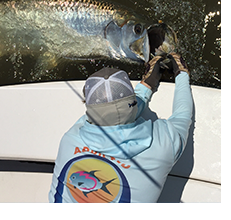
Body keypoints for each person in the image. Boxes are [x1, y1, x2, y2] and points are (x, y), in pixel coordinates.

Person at [49, 54, 193, 203]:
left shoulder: (71, 138)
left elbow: (114, 112)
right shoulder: (164, 142)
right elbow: (182, 115)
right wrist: (181, 74)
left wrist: (147, 85)